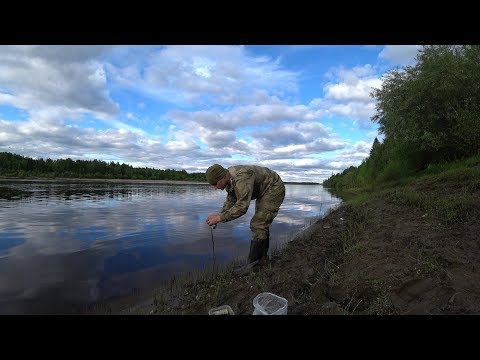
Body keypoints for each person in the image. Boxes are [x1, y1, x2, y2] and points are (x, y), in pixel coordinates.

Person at [205, 164, 286, 271]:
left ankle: (253, 265)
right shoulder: (229, 179)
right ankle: (262, 259)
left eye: (215, 184)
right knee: (261, 224)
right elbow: (231, 200)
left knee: (258, 224)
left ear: (223, 177)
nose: (215, 188)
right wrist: (219, 216)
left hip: (273, 188)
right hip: (263, 191)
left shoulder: (242, 178)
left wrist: (220, 218)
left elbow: (242, 207)